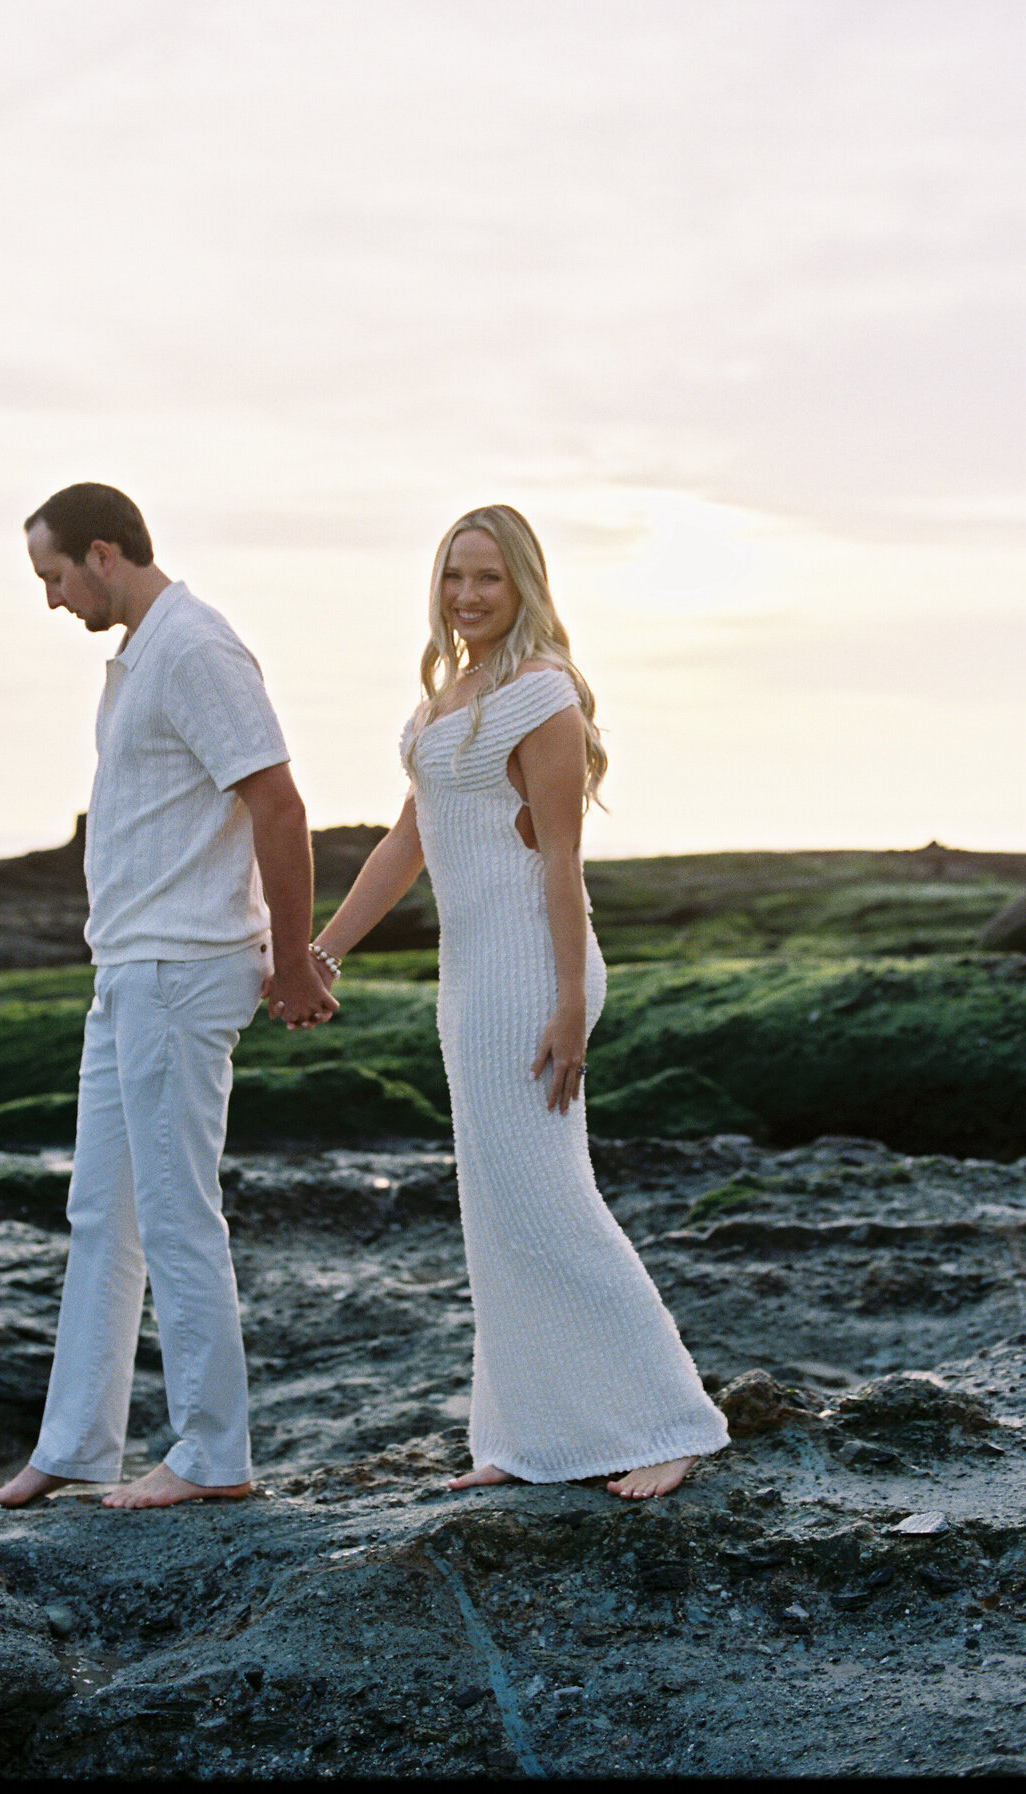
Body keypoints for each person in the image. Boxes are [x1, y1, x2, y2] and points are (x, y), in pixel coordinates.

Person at [308, 505, 729, 1497]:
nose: (466, 596)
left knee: (550, 1198)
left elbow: (564, 865)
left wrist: (571, 1003)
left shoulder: (542, 697)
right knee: (493, 1207)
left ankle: (670, 1420)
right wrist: (322, 950)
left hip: (536, 973)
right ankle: (525, 1436)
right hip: (469, 978)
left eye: (488, 578)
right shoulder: (440, 701)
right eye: (454, 576)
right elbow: (404, 846)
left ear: (526, 585)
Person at [0, 483, 337, 1512]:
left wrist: (296, 958)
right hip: (128, 967)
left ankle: (214, 1453)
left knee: (177, 1215)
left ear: (103, 552)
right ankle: (77, 1445)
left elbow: (277, 802)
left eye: (54, 576)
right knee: (103, 1212)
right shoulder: (141, 655)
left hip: (182, 969)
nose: (51, 599)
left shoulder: (195, 647)